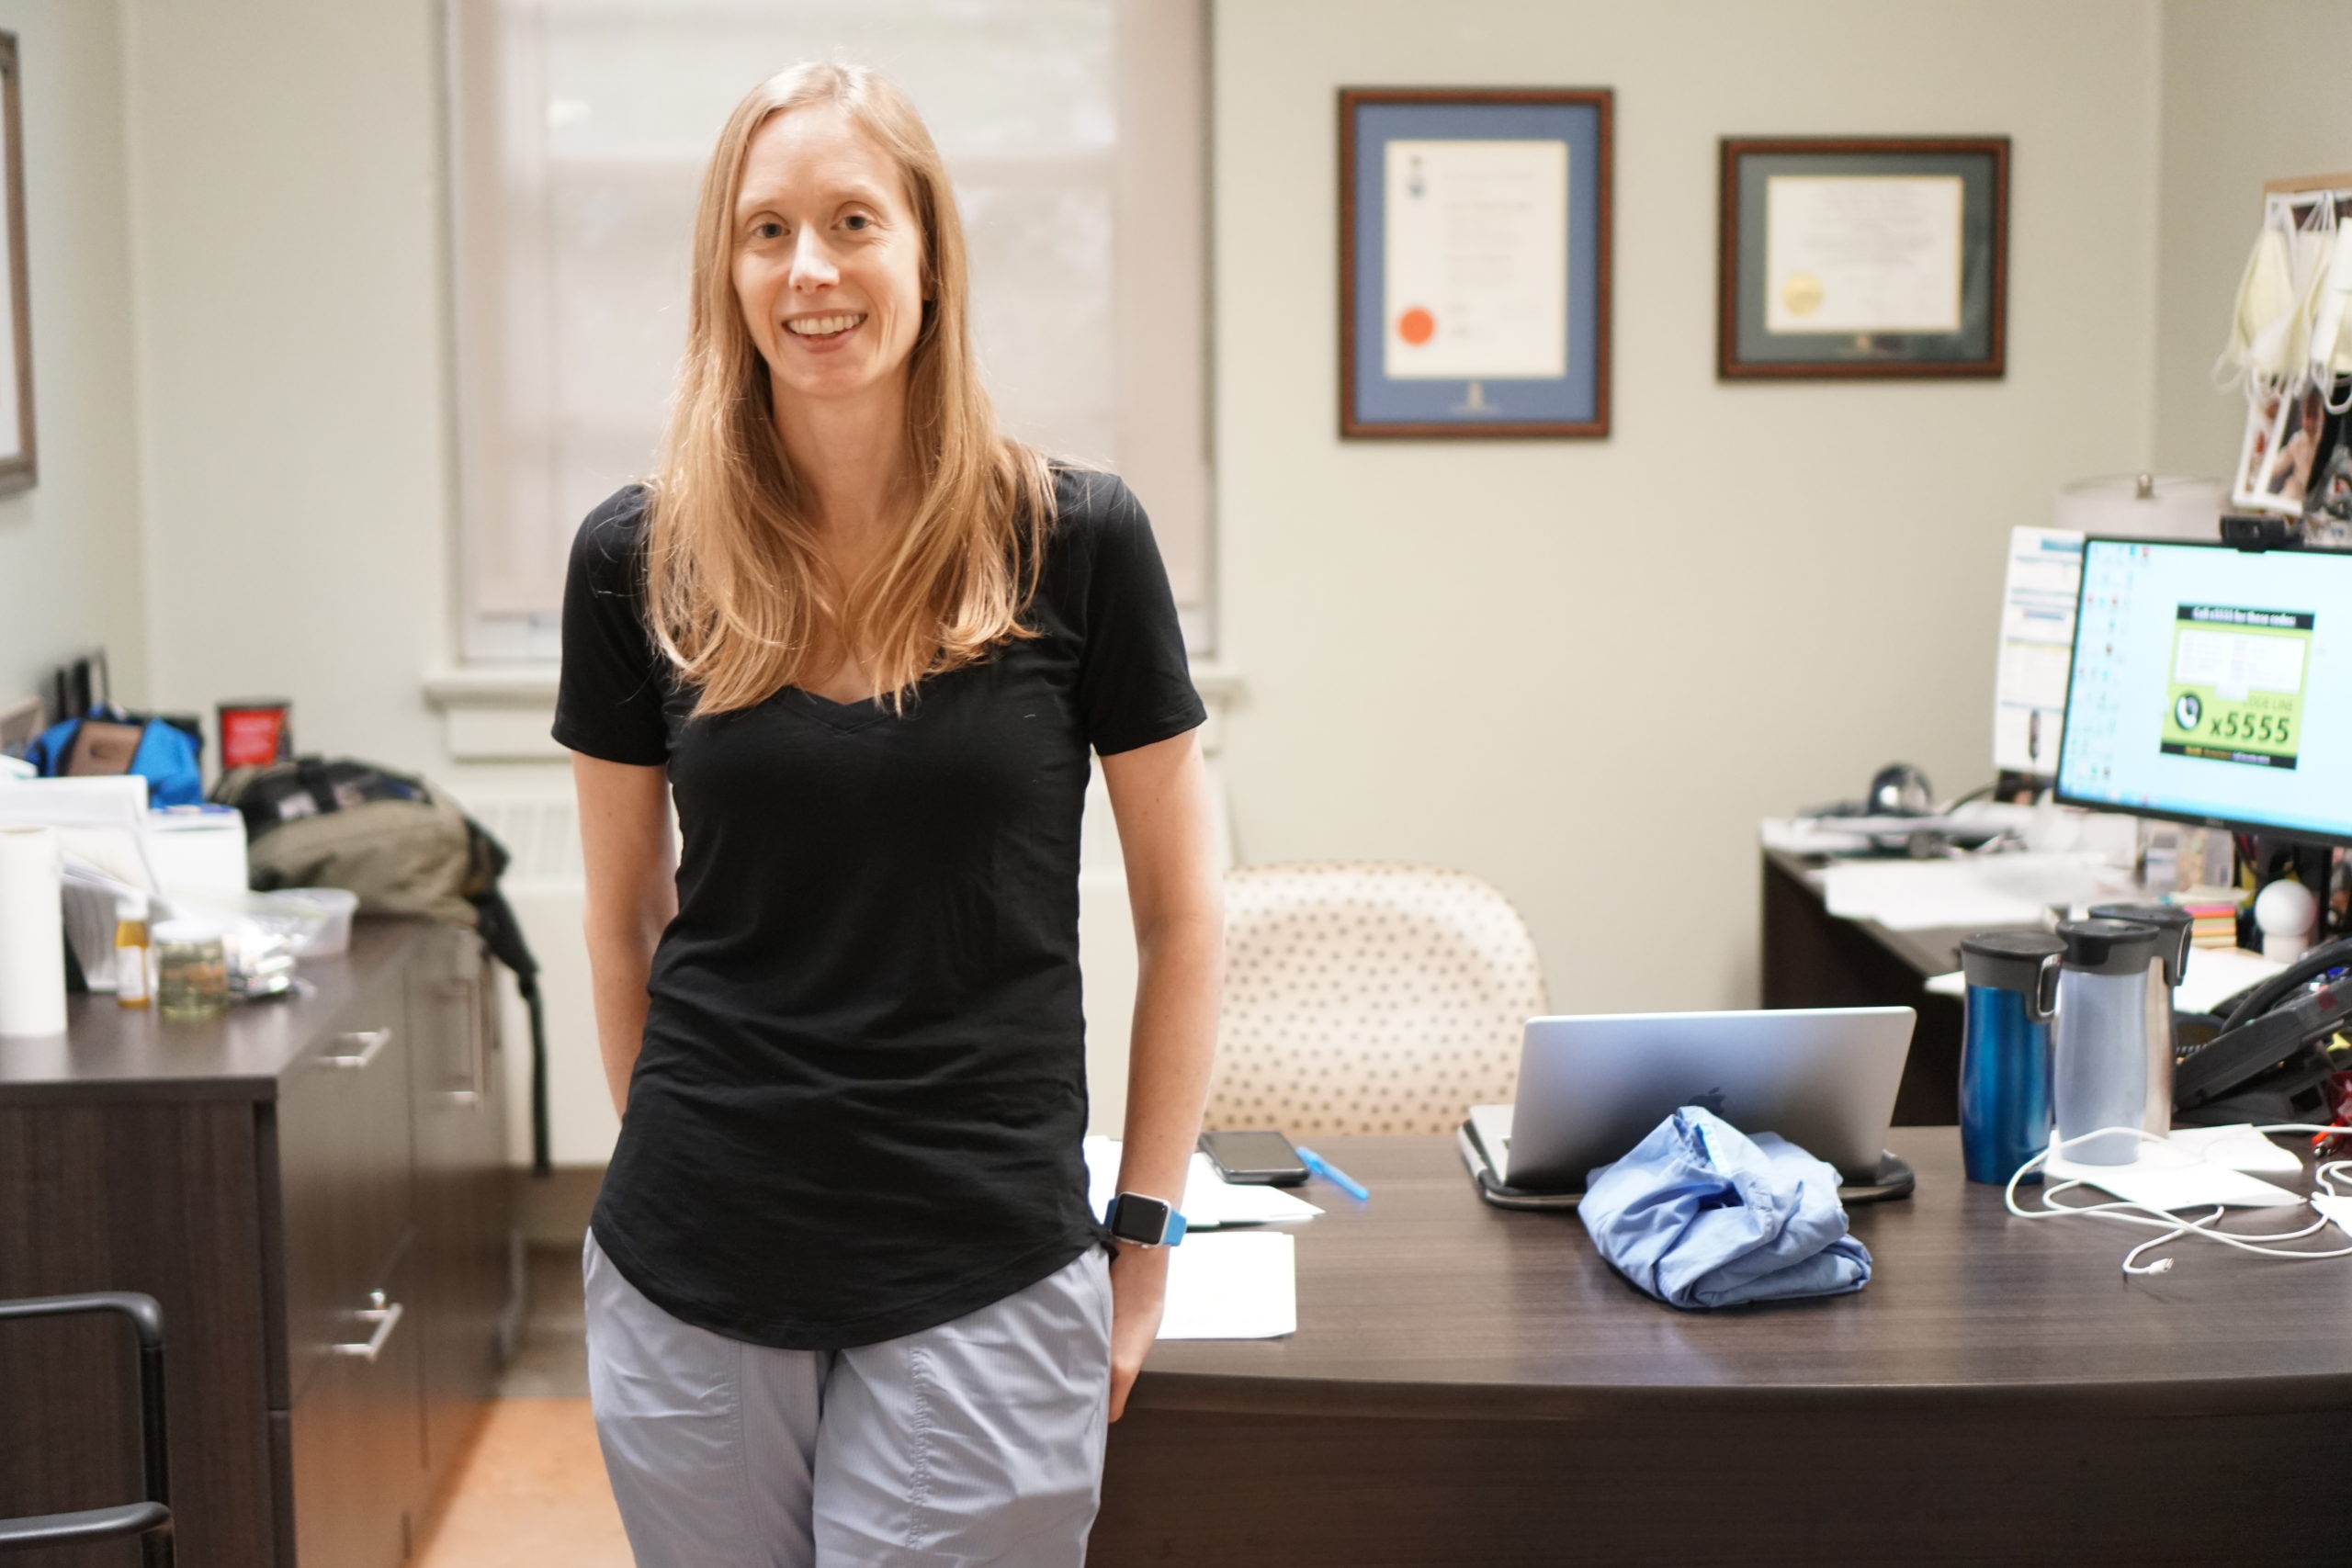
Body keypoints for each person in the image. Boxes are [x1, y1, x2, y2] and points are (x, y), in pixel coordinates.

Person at [553, 61, 1221, 1568]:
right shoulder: (635, 559)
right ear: (725, 271)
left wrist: (1146, 1237)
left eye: (854, 220)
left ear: (927, 252)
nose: (811, 270)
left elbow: (1184, 918)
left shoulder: (1078, 540)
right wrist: (673, 1175)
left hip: (981, 1258)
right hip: (690, 1268)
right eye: (766, 229)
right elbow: (619, 922)